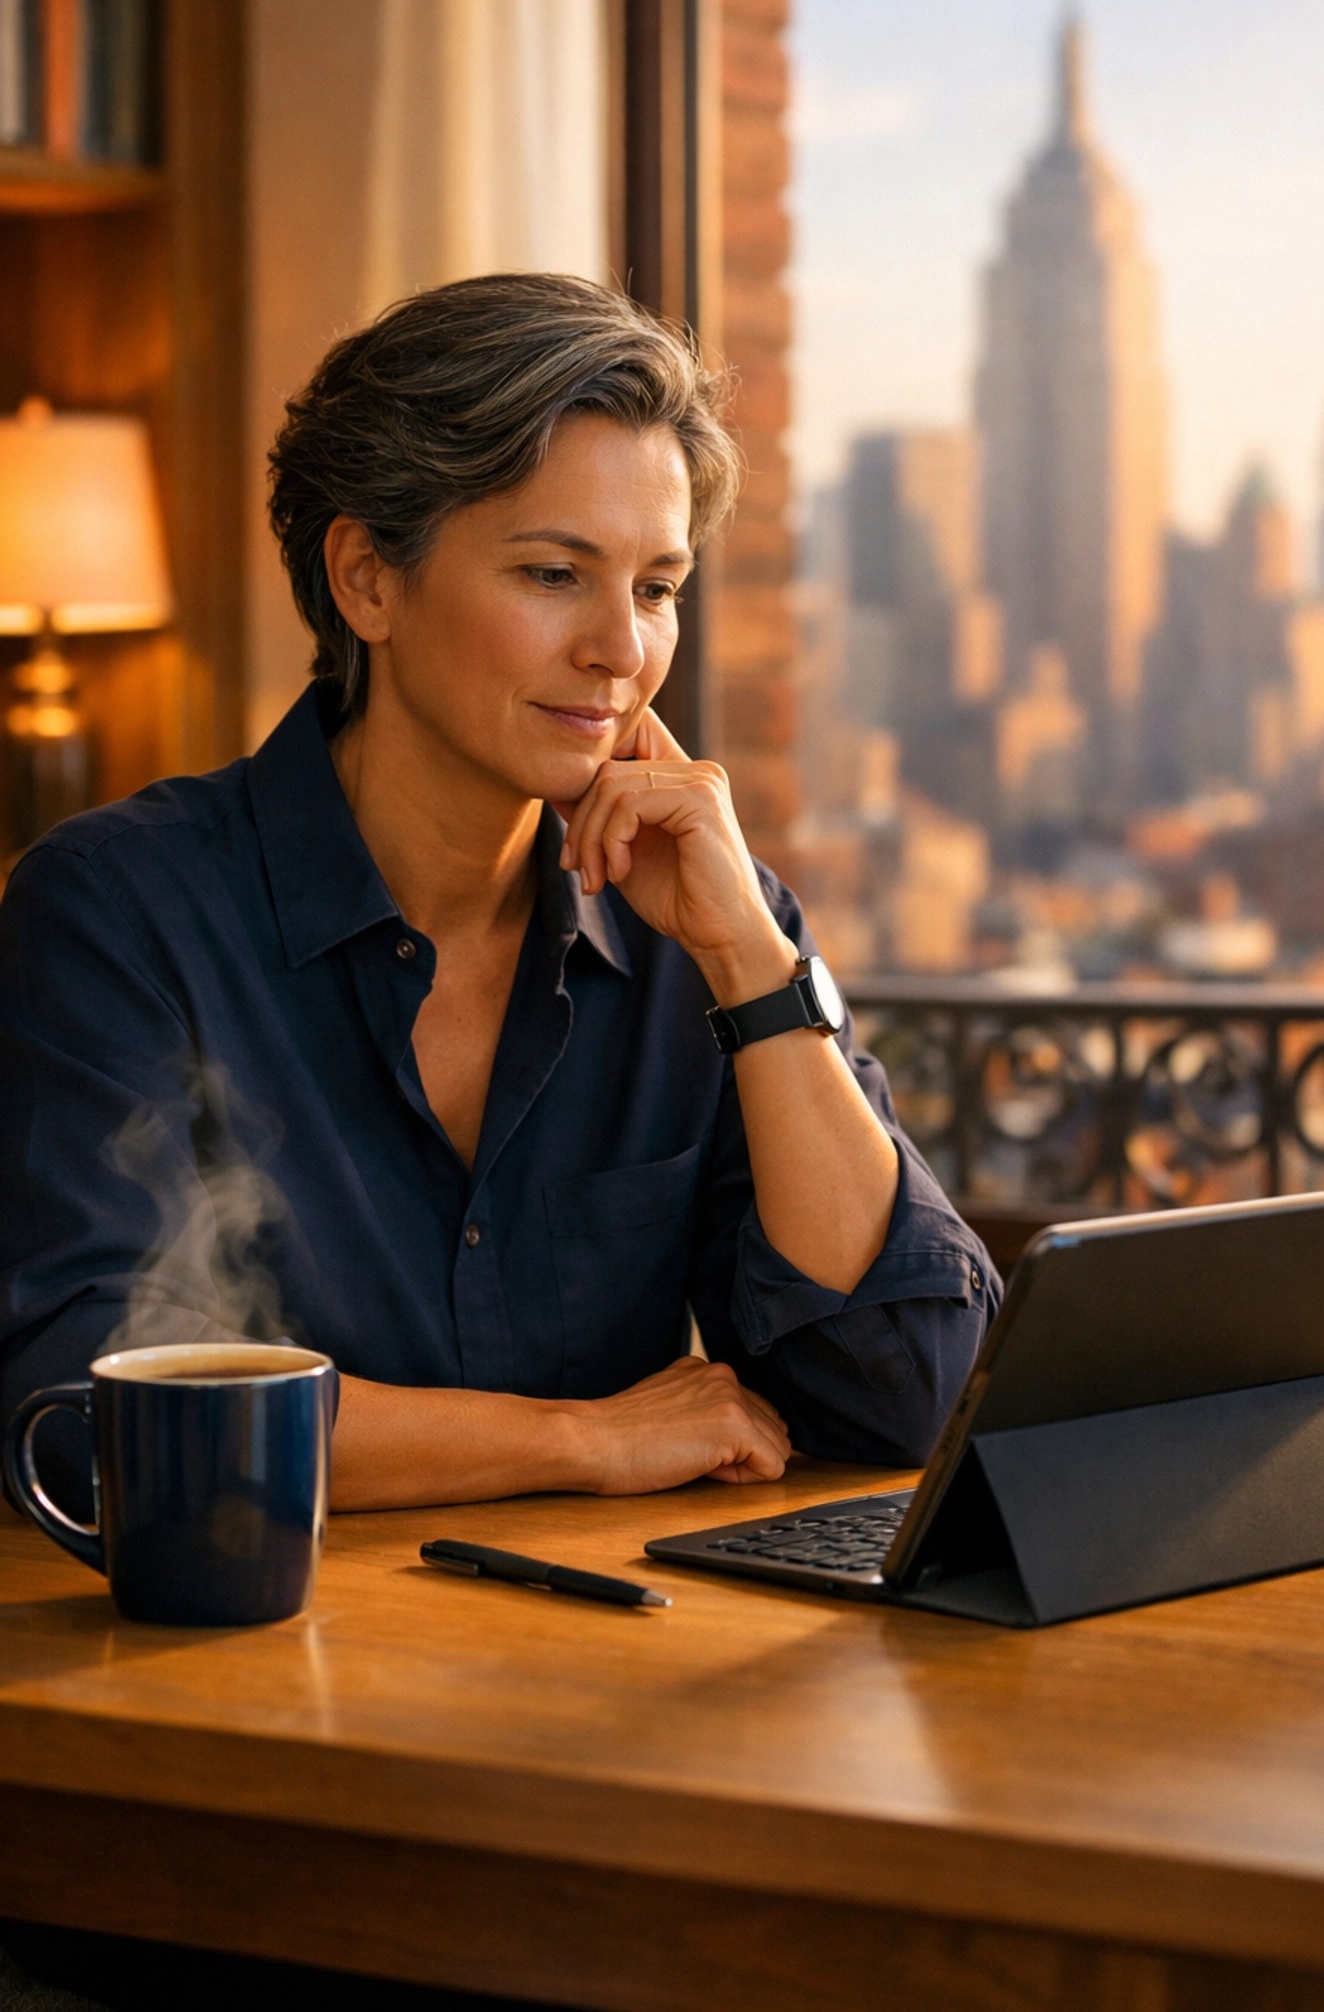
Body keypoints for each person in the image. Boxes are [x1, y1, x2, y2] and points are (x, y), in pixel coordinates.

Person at [0, 275, 999, 1511]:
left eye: (656, 587)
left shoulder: (702, 925)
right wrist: (579, 1441)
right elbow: (87, 1411)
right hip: (247, 1673)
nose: (622, 652)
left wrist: (752, 963)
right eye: (551, 574)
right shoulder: (119, 913)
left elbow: (903, 1390)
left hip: (605, 1677)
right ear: (367, 580)